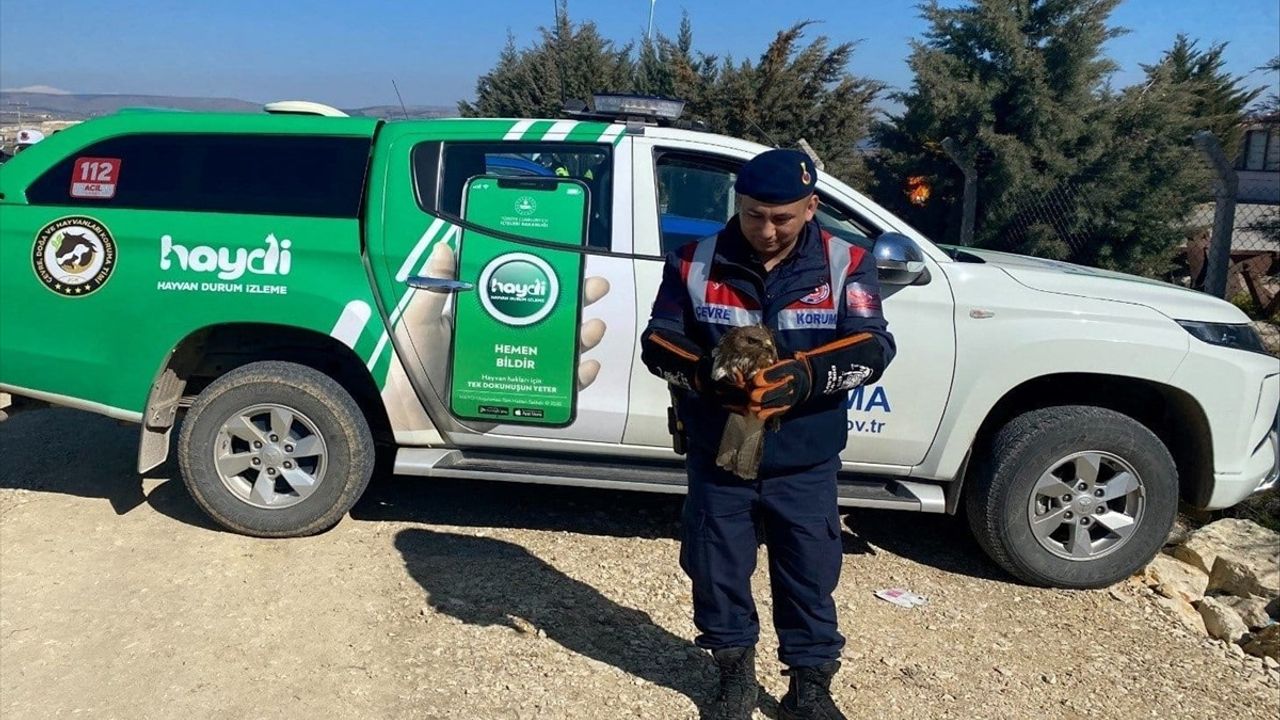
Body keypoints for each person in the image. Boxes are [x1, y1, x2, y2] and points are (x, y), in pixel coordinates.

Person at [640, 148, 895, 720]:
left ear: (811, 206)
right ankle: (732, 671)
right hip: (719, 450)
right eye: (755, 214)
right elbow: (658, 343)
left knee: (808, 568)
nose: (767, 229)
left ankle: (810, 685)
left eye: (783, 216)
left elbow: (873, 346)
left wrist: (804, 378)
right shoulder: (692, 261)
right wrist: (705, 378)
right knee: (716, 564)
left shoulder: (846, 261)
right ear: (739, 204)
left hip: (804, 453)